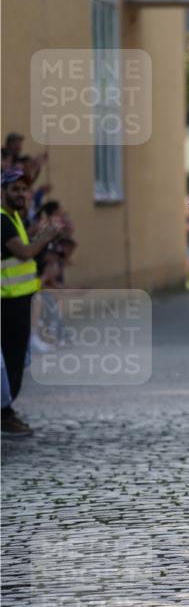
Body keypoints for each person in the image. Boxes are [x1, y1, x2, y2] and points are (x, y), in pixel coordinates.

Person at [1, 168, 61, 436]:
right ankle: (5, 414)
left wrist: (42, 239)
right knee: (10, 362)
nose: (22, 194)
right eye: (15, 189)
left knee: (18, 360)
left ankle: (6, 411)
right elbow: (24, 253)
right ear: (3, 192)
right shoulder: (2, 221)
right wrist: (45, 236)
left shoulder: (15, 220)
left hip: (20, 301)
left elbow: (29, 259)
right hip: (6, 303)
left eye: (25, 189)